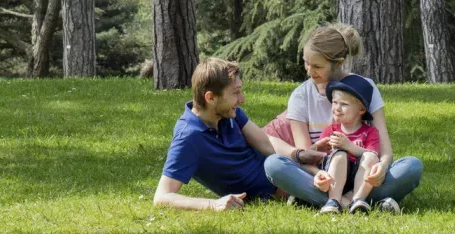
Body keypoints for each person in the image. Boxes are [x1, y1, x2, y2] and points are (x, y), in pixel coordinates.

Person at [262, 23, 423, 214]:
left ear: (338, 63)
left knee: (412, 166)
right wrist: (318, 174)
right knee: (273, 165)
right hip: (326, 177)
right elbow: (307, 156)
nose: (309, 71)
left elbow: (385, 150)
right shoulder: (300, 96)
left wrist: (382, 167)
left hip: (363, 173)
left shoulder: (365, 87)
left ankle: (332, 202)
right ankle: (358, 204)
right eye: (306, 63)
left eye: (317, 66)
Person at [153, 57, 323, 211]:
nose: (242, 99)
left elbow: (266, 143)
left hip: (285, 166)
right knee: (278, 163)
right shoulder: (189, 137)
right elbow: (162, 196)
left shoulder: (229, 114)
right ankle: (339, 199)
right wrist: (214, 204)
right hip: (279, 185)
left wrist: (299, 154)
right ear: (210, 97)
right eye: (235, 93)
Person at [314, 75, 381, 214]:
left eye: (343, 104)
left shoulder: (370, 132)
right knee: (339, 154)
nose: (337, 108)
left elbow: (374, 156)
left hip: (359, 181)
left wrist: (349, 146)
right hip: (334, 180)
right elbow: (319, 158)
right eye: (334, 102)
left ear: (361, 110)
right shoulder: (331, 131)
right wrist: (320, 151)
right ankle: (334, 201)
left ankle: (358, 201)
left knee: (370, 157)